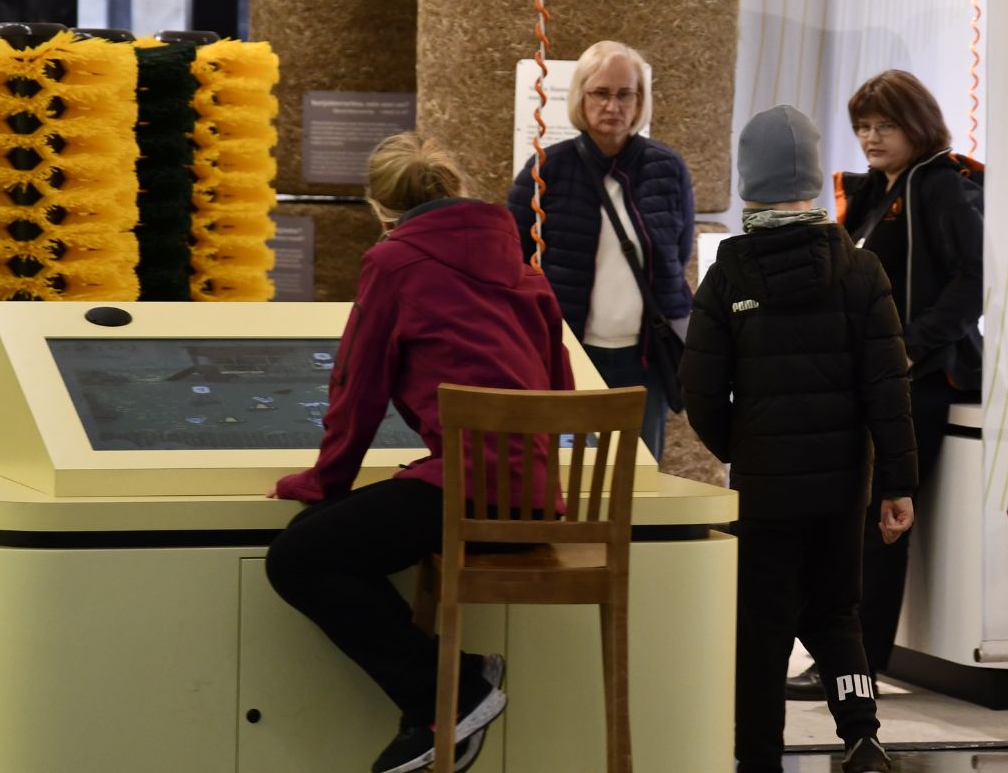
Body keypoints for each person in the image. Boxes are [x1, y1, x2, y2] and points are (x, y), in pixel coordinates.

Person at [267, 133, 574, 773]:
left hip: (469, 485)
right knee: (315, 538)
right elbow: (560, 387)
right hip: (537, 494)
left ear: (380, 209)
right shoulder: (523, 265)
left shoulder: (394, 262)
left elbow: (359, 385)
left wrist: (325, 479)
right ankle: (451, 680)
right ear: (459, 189)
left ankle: (449, 696)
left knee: (296, 556)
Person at [682, 104, 917, 773]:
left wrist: (741, 447)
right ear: (814, 179)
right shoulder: (860, 270)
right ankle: (861, 734)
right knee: (838, 614)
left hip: (764, 488)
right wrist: (897, 483)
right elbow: (888, 387)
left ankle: (759, 757)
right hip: (844, 483)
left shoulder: (728, 275)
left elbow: (698, 390)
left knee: (761, 630)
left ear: (748, 181)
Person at [787, 69, 982, 699]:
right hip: (868, 380)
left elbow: (973, 278)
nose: (870, 137)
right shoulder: (875, 192)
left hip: (918, 382)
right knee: (853, 520)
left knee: (882, 523)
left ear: (916, 125)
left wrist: (911, 347)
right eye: (863, 126)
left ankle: (855, 667)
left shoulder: (941, 185)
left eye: (884, 125)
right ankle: (843, 658)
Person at [508, 40, 694, 463]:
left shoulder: (667, 168)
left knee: (638, 478)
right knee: (565, 473)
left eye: (625, 93)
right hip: (568, 355)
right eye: (601, 93)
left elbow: (676, 254)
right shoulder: (545, 171)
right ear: (580, 97)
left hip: (644, 358)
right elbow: (512, 260)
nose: (613, 105)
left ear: (640, 100)